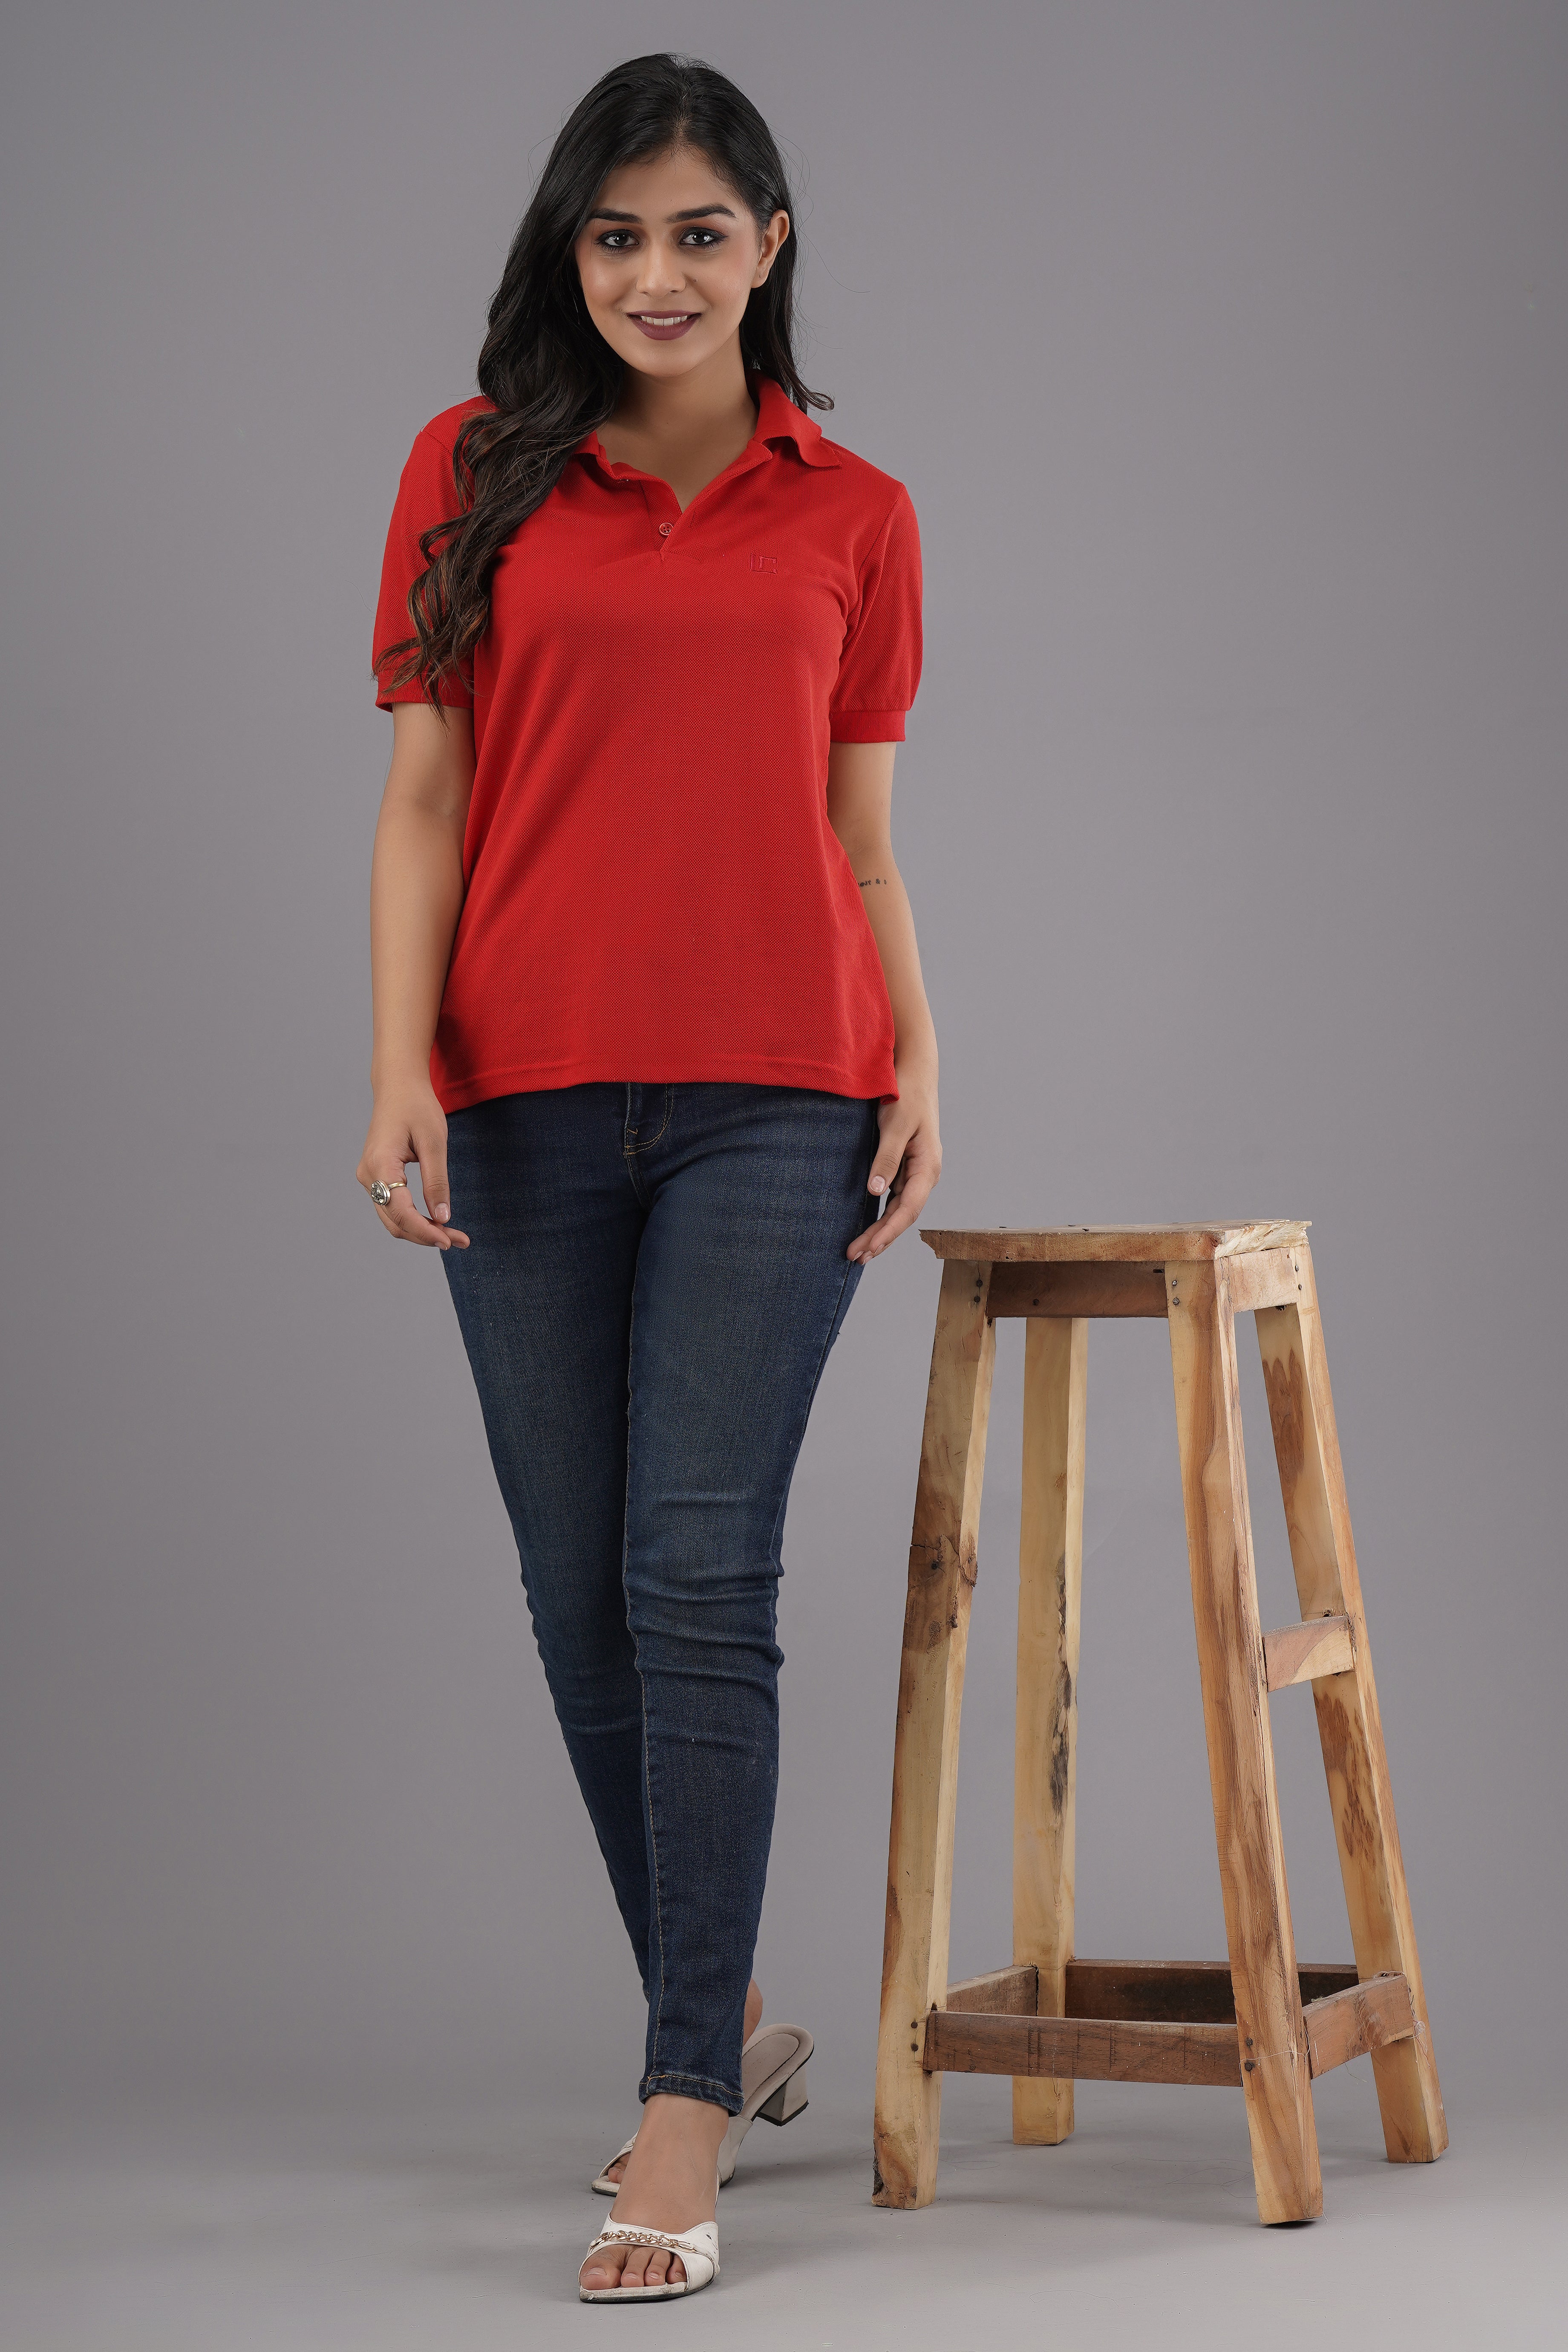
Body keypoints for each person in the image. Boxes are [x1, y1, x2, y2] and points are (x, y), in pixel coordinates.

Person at [359, 51, 940, 2305]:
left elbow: (858, 834)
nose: (657, 274)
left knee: (699, 1571)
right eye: (616, 235)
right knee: (576, 1588)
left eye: (700, 232)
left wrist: (922, 1050)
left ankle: (683, 2095)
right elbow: (427, 800)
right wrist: (395, 1064)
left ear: (770, 247)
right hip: (518, 1087)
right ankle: (732, 2007)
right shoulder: (470, 471)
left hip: (779, 1092)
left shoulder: (857, 511)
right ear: (570, 253)